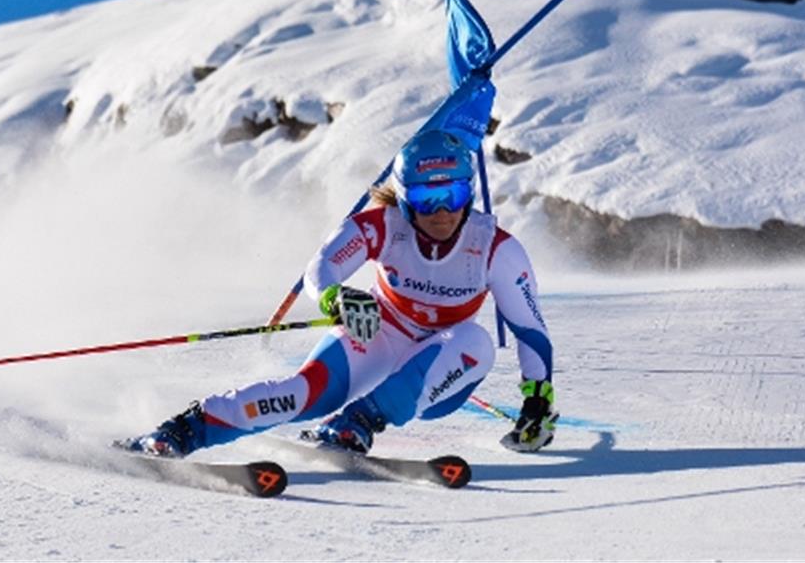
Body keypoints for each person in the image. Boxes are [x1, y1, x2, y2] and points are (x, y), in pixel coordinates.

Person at [126, 129, 557, 457]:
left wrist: (537, 400)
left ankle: (359, 421)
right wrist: (337, 298)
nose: (442, 212)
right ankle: (186, 430)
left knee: (475, 343)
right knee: (305, 393)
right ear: (405, 199)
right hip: (380, 330)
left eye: (454, 194)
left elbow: (530, 331)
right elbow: (321, 267)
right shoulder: (383, 225)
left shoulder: (497, 249)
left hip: (447, 367)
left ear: (469, 192)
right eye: (428, 198)